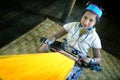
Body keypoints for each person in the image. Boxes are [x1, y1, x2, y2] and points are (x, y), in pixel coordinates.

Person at [38, 2, 103, 80]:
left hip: (76, 61)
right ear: (82, 15)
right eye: (85, 17)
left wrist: (90, 60)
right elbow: (55, 36)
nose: (86, 22)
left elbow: (98, 59)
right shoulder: (72, 25)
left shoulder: (94, 38)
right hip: (61, 52)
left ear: (96, 22)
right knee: (46, 67)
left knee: (66, 76)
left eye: (91, 20)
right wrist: (47, 43)